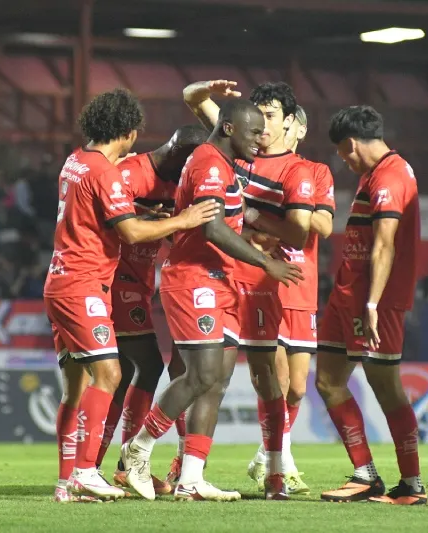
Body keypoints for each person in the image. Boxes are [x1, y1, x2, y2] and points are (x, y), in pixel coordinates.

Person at [120, 98, 304, 501]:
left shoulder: (224, 163)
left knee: (216, 383)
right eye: (255, 132)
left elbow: (233, 212)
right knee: (200, 375)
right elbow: (213, 229)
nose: (262, 138)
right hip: (193, 280)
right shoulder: (207, 162)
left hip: (221, 282)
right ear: (230, 130)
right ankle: (137, 450)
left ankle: (191, 477)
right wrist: (264, 262)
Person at [49, 88, 219, 503]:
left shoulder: (76, 161)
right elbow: (128, 231)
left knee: (80, 386)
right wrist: (183, 219)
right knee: (118, 373)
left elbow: (105, 216)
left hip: (73, 279)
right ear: (126, 132)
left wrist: (148, 215)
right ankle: (101, 469)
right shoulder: (111, 172)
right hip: (89, 284)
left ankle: (71, 478)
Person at [182, 80, 315, 499]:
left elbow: (302, 231)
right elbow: (195, 102)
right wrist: (203, 89)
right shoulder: (236, 144)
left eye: (271, 117)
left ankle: (275, 469)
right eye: (257, 119)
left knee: (267, 379)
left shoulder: (299, 169)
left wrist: (255, 219)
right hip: (215, 276)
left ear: (289, 123)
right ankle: (180, 468)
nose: (262, 128)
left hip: (258, 282)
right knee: (199, 377)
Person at [85, 125, 211, 495]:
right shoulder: (128, 173)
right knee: (148, 365)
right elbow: (119, 226)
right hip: (114, 279)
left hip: (140, 284)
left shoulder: (175, 186)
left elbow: (172, 233)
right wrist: (155, 218)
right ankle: (120, 463)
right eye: (189, 164)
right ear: (175, 152)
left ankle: (98, 465)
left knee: (124, 374)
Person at [315, 105, 425, 505]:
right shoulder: (373, 175)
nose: (343, 160)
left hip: (373, 302)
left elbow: (385, 245)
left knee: (387, 388)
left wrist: (374, 303)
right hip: (348, 295)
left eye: (343, 152)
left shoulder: (391, 176)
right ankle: (365, 475)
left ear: (352, 143)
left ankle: (412, 484)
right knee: (327, 382)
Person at [246, 105, 335, 494]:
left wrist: (299, 203)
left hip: (303, 284)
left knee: (298, 387)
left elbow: (325, 225)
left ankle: (270, 454)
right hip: (265, 280)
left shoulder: (313, 172)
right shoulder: (254, 165)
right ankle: (277, 460)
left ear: (299, 127)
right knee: (277, 378)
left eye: (295, 122)